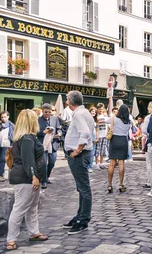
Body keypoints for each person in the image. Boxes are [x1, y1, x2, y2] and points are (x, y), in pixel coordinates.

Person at [5, 109, 47, 251]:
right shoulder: (28, 139)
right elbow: (28, 160)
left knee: (32, 206)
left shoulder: (23, 137)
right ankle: (11, 239)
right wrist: (35, 176)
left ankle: (34, 232)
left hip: (24, 176)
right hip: (26, 178)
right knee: (20, 208)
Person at [62, 91, 94, 235]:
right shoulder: (84, 112)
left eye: (67, 99)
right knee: (82, 188)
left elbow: (86, 133)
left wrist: (77, 150)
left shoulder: (78, 114)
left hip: (79, 155)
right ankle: (80, 216)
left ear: (70, 101)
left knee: (83, 188)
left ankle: (83, 220)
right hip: (82, 154)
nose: (66, 101)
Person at [106, 104, 132, 193]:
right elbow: (128, 130)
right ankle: (121, 183)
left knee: (112, 164)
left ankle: (109, 185)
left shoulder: (114, 118)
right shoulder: (129, 121)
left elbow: (104, 121)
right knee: (121, 163)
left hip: (114, 140)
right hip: (123, 141)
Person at [37, 103, 61, 185]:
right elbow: (35, 132)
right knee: (43, 163)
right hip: (42, 144)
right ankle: (43, 181)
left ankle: (46, 177)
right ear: (42, 111)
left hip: (53, 143)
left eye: (49, 112)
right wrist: (43, 132)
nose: (47, 114)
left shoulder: (55, 119)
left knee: (52, 162)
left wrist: (59, 133)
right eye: (46, 112)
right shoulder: (38, 120)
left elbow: (59, 129)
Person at [140, 103, 152, 189]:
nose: (148, 109)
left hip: (151, 142)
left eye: (149, 107)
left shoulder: (148, 118)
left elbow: (144, 130)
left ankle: (150, 182)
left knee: (150, 164)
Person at [93, 104, 109, 170]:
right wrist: (97, 136)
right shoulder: (96, 117)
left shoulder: (105, 116)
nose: (101, 110)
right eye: (100, 109)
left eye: (102, 109)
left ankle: (101, 163)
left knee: (102, 150)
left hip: (104, 135)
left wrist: (107, 134)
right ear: (97, 109)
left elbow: (107, 125)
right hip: (99, 135)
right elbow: (96, 127)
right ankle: (97, 163)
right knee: (97, 150)